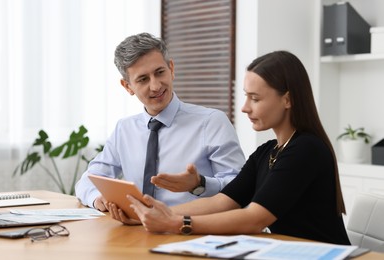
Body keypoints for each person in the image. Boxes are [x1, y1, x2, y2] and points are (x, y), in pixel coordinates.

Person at [121, 50, 351, 245]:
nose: (244, 108)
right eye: (245, 97)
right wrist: (154, 213)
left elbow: (254, 218)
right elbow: (221, 202)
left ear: (287, 100)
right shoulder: (267, 151)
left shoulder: (306, 149)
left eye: (255, 98)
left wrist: (176, 223)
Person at [75, 32, 245, 214]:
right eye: (143, 79)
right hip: (139, 232)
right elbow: (89, 180)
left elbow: (241, 187)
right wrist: (98, 199)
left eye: (159, 72)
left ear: (171, 69)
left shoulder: (211, 122)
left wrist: (200, 184)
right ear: (127, 86)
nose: (156, 86)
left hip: (193, 230)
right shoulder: (124, 129)